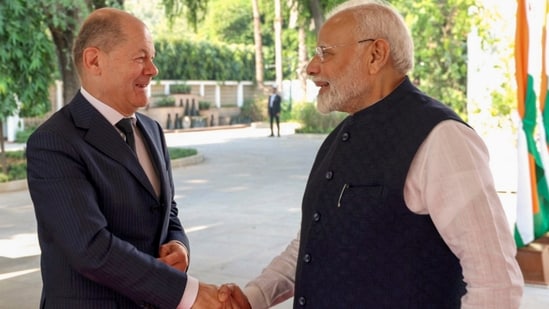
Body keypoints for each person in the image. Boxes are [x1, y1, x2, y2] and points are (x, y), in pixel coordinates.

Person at [220, 1, 524, 308]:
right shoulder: (339, 138)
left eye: (326, 52)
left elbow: (496, 282)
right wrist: (253, 297)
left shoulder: (442, 138)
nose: (311, 66)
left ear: (376, 55)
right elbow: (313, 243)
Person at [26, 7, 229, 309]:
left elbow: (165, 210)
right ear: (94, 60)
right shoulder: (53, 142)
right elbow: (90, 247)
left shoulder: (151, 130)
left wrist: (178, 244)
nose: (153, 69)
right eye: (141, 57)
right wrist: (188, 293)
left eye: (153, 57)